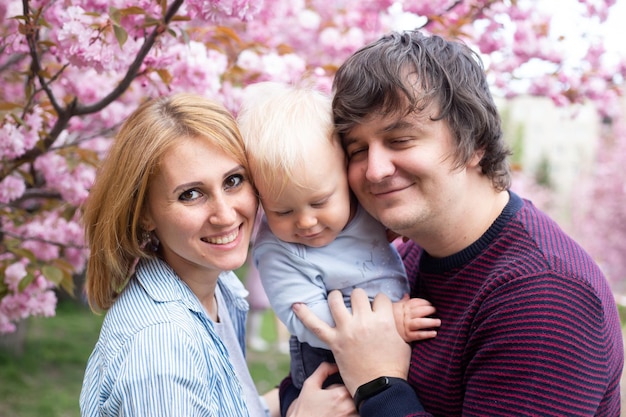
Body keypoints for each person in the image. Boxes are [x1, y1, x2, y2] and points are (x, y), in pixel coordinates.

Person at [288, 30, 624, 416]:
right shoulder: (407, 255)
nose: (375, 170)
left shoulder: (544, 297)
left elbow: (362, 380)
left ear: (474, 142)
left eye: (400, 140)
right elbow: (315, 382)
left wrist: (378, 386)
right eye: (358, 149)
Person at [79, 93, 358, 417]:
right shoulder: (161, 353)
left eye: (233, 180)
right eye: (191, 194)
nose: (225, 215)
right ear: (145, 214)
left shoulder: (217, 290)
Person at [237, 81, 441, 394]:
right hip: (328, 356)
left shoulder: (361, 206)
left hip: (388, 335)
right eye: (282, 211)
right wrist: (390, 323)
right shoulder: (278, 251)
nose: (306, 222)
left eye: (319, 202)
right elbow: (308, 319)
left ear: (345, 176)